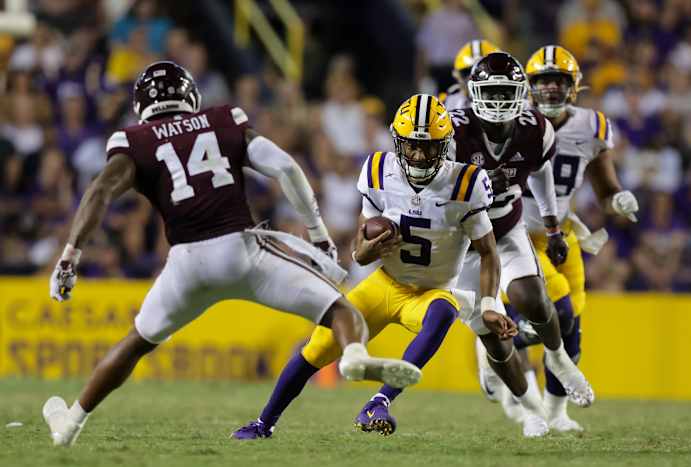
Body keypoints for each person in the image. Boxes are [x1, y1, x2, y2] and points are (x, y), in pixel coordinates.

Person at [42, 61, 422, 447]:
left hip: (185, 265)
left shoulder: (134, 140)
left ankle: (70, 425)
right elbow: (285, 168)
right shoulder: (222, 119)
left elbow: (100, 192)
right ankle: (354, 354)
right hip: (241, 251)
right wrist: (318, 233)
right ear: (190, 95)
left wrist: (69, 256)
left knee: (137, 342)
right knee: (341, 311)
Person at [234, 94, 551, 441]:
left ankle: (382, 401)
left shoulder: (467, 182)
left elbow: (488, 252)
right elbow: (360, 252)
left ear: (445, 145)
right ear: (398, 142)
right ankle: (263, 423)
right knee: (316, 348)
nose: (417, 155)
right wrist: (367, 250)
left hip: (434, 290)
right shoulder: (378, 170)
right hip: (384, 285)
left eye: (428, 147)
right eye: (412, 146)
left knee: (453, 316)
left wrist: (490, 304)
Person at [489, 45, 638, 432]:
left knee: (572, 326)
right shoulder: (513, 122)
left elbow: (605, 186)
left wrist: (616, 198)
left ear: (574, 87)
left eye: (559, 81)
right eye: (542, 81)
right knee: (560, 310)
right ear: (528, 87)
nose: (551, 89)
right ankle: (494, 346)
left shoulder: (591, 126)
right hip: (515, 231)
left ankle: (556, 412)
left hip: (562, 234)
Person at [450, 52, 595, 415]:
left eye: (505, 92)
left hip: (506, 226)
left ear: (519, 92)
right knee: (493, 333)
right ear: (475, 92)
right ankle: (522, 402)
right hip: (462, 240)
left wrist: (552, 226)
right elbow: (435, 188)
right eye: (492, 92)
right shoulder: (453, 129)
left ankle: (558, 358)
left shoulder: (535, 129)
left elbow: (542, 172)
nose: (498, 102)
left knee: (532, 297)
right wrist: (478, 184)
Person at [441, 39, 500, 111]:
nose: (473, 77)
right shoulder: (445, 103)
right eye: (466, 72)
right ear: (456, 74)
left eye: (482, 71)